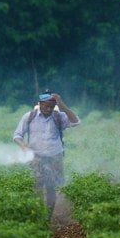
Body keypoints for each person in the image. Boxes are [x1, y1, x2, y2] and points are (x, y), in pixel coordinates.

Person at [13, 90, 81, 219]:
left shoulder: (58, 116)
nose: (49, 109)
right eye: (46, 106)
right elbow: (17, 136)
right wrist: (24, 146)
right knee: (37, 187)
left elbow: (76, 121)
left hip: (54, 156)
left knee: (51, 188)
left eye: (52, 106)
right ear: (40, 103)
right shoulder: (29, 116)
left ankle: (47, 218)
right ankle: (38, 216)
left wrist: (62, 104)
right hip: (35, 157)